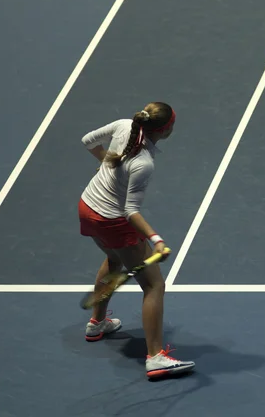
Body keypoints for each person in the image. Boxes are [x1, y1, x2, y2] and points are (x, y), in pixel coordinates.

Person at [77, 101, 195, 378]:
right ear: (164, 131)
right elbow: (130, 211)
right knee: (154, 285)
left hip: (87, 208)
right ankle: (155, 357)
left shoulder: (123, 125)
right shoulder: (143, 163)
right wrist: (156, 240)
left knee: (114, 259)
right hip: (112, 220)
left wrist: (107, 164)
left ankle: (97, 323)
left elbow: (87, 141)